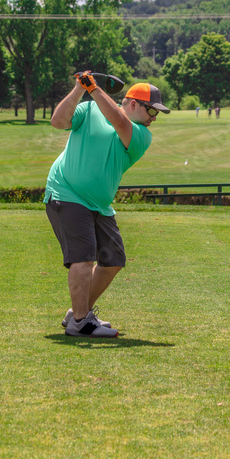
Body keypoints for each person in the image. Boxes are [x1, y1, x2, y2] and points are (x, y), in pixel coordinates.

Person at [45, 72, 170, 337]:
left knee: (113, 259)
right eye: (151, 110)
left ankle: (78, 314)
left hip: (99, 205)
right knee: (83, 256)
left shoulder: (140, 134)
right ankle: (81, 323)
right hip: (66, 192)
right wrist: (80, 89)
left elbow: (118, 120)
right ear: (134, 103)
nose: (154, 118)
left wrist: (94, 88)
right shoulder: (89, 107)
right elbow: (58, 121)